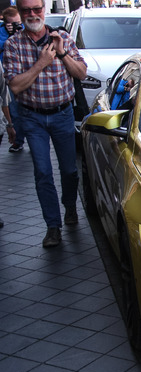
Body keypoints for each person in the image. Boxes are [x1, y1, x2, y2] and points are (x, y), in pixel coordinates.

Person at [3, 0, 87, 248]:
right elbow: (16, 85)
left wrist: (61, 53)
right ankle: (53, 226)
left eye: (36, 9)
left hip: (62, 114)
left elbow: (81, 73)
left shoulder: (62, 37)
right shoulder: (13, 45)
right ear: (19, 12)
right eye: (26, 10)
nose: (32, 14)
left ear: (43, 9)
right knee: (42, 172)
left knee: (69, 170)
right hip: (32, 117)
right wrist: (41, 63)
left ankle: (70, 205)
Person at [1, 7, 26, 153]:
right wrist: (10, 36)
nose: (17, 25)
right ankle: (18, 140)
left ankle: (30, 135)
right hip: (6, 75)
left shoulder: (25, 30)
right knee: (13, 108)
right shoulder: (1, 33)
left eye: (18, 22)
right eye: (12, 23)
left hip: (24, 74)